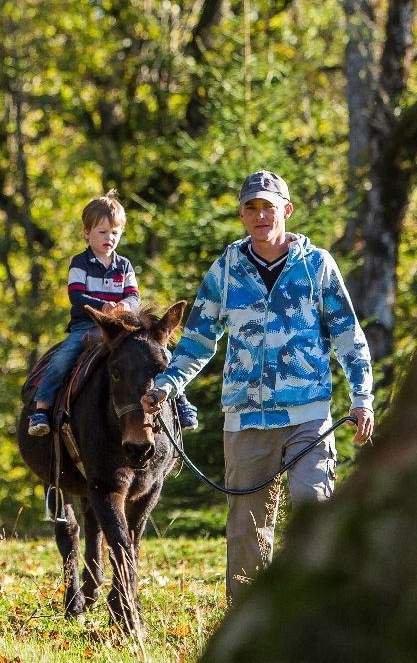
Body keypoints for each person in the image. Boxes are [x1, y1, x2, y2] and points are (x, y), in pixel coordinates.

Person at [140, 171, 375, 601]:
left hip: (309, 418)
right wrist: (165, 386)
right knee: (247, 533)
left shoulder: (317, 266)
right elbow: (196, 342)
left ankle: (316, 615)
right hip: (245, 420)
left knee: (314, 512)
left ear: (287, 211)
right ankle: (248, 624)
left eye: (269, 207)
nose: (261, 215)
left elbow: (348, 337)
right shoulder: (227, 270)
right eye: (252, 208)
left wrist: (362, 397)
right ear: (242, 215)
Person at [26, 192, 198, 437]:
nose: (110, 238)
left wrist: (126, 305)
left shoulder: (124, 265)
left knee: (164, 356)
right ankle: (42, 408)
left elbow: (133, 294)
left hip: (123, 328)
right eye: (102, 232)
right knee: (62, 359)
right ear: (87, 233)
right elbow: (76, 295)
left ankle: (181, 401)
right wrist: (102, 306)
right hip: (86, 325)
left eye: (115, 232)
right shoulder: (80, 263)